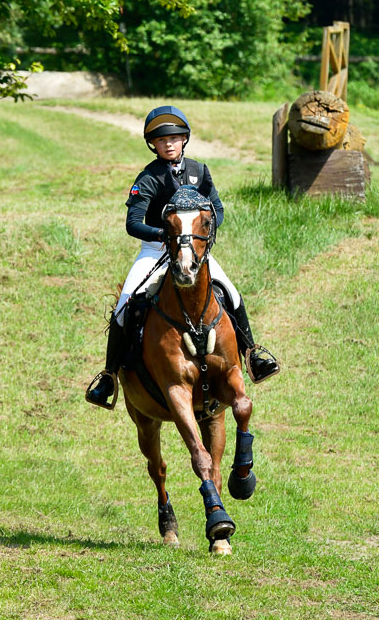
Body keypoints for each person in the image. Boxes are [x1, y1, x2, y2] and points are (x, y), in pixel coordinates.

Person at [86, 105, 279, 407]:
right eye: (162, 141)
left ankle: (253, 353)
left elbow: (217, 209)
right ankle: (109, 376)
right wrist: (164, 236)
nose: (169, 144)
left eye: (175, 138)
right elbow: (133, 223)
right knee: (124, 306)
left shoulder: (199, 171)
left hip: (196, 252)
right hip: (157, 251)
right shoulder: (148, 178)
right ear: (153, 145)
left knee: (232, 294)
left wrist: (203, 239)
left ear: (185, 139)